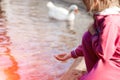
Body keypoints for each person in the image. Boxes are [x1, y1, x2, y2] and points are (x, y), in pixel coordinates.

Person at [54, 0, 120, 80]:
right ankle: (93, 72)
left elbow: (103, 53)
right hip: (106, 61)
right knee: (87, 36)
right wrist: (71, 54)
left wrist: (94, 33)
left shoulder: (110, 22)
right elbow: (91, 42)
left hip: (115, 64)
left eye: (86, 3)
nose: (85, 6)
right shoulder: (102, 18)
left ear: (96, 2)